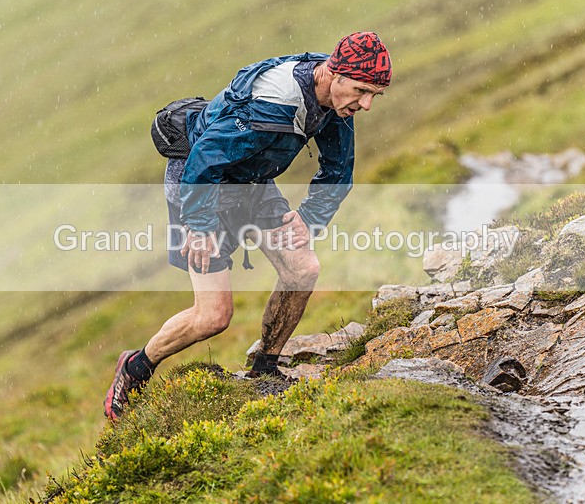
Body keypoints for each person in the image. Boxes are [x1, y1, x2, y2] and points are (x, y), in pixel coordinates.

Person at [104, 32, 392, 421]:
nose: (367, 104)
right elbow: (204, 160)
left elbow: (339, 170)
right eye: (361, 91)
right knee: (213, 317)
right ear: (335, 74)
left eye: (375, 93)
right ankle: (135, 366)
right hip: (202, 187)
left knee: (302, 268)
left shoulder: (334, 101)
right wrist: (200, 226)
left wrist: (310, 219)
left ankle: (265, 368)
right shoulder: (275, 103)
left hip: (253, 181)